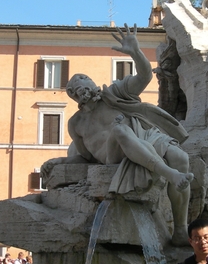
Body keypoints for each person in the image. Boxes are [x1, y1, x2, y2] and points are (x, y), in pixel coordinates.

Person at [41, 23, 193, 246]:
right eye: (73, 89)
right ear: (73, 97)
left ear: (93, 83)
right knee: (120, 128)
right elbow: (84, 158)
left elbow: (143, 77)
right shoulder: (76, 123)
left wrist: (135, 52)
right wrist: (58, 160)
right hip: (113, 156)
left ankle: (181, 229)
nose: (79, 87)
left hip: (145, 137)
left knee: (182, 158)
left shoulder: (114, 94)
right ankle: (169, 174)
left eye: (83, 80)